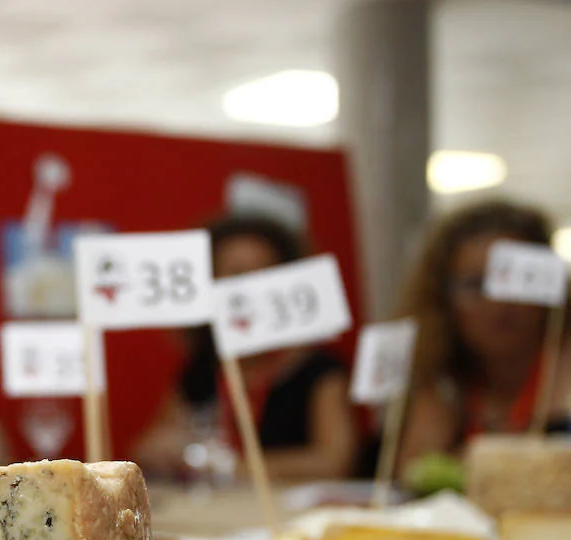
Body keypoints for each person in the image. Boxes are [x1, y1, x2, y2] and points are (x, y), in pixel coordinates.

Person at [134, 214, 358, 482]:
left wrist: (228, 466)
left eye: (265, 272)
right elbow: (146, 449)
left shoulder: (319, 371)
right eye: (236, 275)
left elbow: (334, 462)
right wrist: (166, 450)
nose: (251, 289)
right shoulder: (203, 370)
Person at [395, 200, 570, 471]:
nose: (497, 302)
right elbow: (413, 473)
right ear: (442, 298)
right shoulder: (445, 382)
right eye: (475, 285)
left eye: (516, 280)